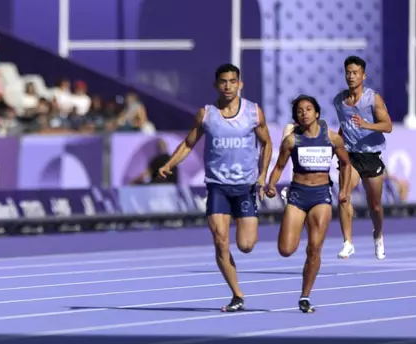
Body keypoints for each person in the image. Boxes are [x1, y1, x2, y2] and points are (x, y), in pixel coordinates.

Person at [158, 63, 273, 312]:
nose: (228, 86)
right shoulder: (207, 114)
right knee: (221, 241)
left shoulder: (253, 112)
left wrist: (262, 175)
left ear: (240, 84)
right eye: (223, 81)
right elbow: (188, 144)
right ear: (216, 85)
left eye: (232, 81)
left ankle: (246, 237)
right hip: (217, 186)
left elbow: (267, 143)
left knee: (246, 245)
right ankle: (237, 295)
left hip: (244, 187)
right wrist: (169, 163)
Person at [265, 95, 352, 313]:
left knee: (314, 249)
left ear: (317, 113)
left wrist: (344, 189)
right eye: (300, 111)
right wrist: (271, 184)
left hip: (321, 196)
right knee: (286, 249)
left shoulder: (332, 139)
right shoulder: (292, 141)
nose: (304, 113)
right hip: (297, 195)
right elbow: (278, 167)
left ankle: (305, 296)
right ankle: (296, 223)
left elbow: (346, 163)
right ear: (296, 116)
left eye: (308, 109)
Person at [333, 56, 392, 260]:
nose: (351, 76)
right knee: (343, 196)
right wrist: (338, 145)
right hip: (350, 156)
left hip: (371, 155)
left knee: (374, 206)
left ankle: (378, 234)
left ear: (363, 75)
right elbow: (345, 125)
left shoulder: (372, 98)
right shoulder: (339, 101)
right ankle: (348, 242)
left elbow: (388, 125)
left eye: (355, 73)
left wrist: (367, 125)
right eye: (348, 72)